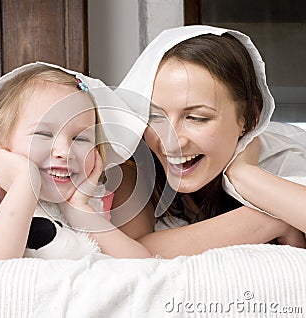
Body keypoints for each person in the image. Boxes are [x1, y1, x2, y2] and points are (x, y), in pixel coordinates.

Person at [0, 62, 151, 260]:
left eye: (80, 138)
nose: (65, 152)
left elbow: (143, 265)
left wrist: (77, 208)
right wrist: (25, 185)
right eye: (43, 134)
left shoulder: (88, 201)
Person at [113, 25, 306, 258]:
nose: (170, 142)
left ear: (250, 118)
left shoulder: (282, 160)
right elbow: (131, 252)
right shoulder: (133, 157)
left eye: (196, 118)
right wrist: (269, 219)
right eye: (155, 116)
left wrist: (244, 174)